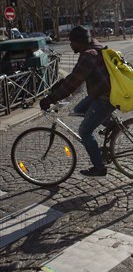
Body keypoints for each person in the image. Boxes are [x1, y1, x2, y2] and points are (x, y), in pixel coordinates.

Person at [39, 25, 115, 177]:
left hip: (104, 98)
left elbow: (74, 82)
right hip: (101, 93)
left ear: (79, 42)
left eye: (72, 41)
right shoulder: (94, 46)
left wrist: (51, 99)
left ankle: (99, 168)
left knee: (84, 132)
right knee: (79, 110)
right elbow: (74, 76)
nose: (70, 44)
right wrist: (57, 87)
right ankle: (110, 123)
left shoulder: (89, 55)